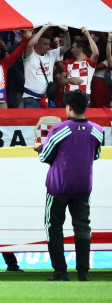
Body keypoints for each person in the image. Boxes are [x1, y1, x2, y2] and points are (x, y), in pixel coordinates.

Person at [40, 90, 104, 280]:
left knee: (54, 226)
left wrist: (40, 149)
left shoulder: (60, 130)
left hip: (58, 186)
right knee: (83, 226)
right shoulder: (97, 130)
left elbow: (45, 156)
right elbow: (96, 155)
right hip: (83, 186)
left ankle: (60, 271)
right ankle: (83, 272)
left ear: (68, 107)